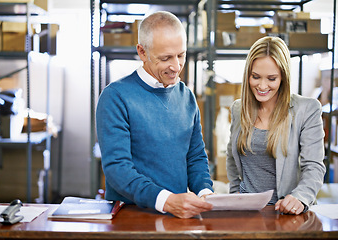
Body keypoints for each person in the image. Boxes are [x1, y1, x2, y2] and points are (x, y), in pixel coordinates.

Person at [96, 11, 213, 219]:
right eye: (165, 58)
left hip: (177, 217)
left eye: (181, 55)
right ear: (142, 52)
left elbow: (195, 157)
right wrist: (166, 201)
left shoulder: (186, 96)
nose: (176, 67)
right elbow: (117, 169)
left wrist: (205, 193)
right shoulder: (116, 97)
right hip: (130, 217)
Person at [226, 36, 326, 215]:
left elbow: (314, 166)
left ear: (283, 78)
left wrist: (300, 198)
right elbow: (232, 160)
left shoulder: (307, 110)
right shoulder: (238, 109)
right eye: (255, 77)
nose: (262, 85)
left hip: (285, 212)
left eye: (271, 79)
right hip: (246, 212)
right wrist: (235, 197)